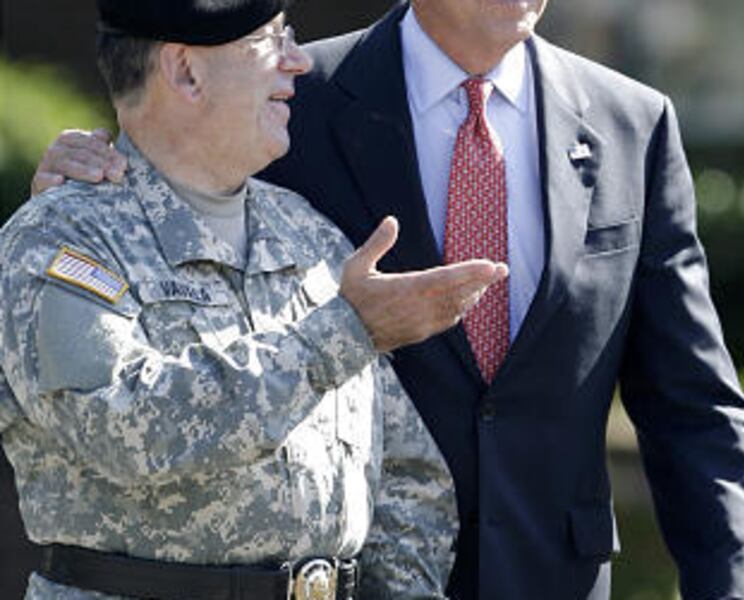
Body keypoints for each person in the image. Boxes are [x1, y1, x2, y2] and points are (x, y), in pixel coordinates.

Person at [31, 0, 744, 598]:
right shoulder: (295, 97)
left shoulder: (631, 125)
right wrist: (90, 175)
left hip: (556, 575)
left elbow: (694, 407)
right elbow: (175, 168)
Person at [0, 1, 512, 599]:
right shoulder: (62, 238)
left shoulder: (310, 236)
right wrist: (342, 334)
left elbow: (406, 474)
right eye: (271, 40)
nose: (297, 62)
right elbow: (125, 427)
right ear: (186, 72)